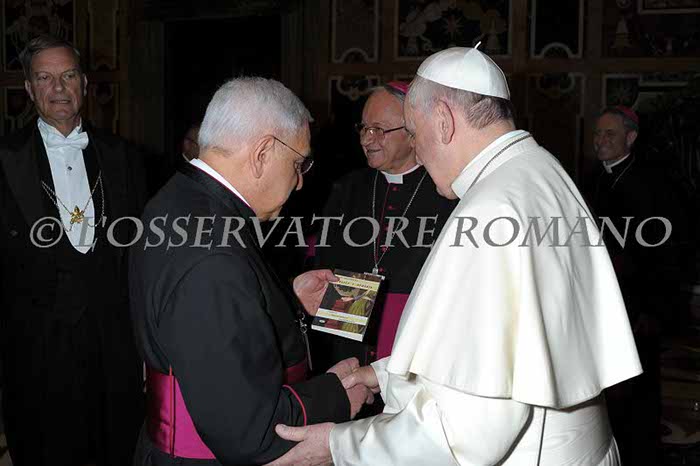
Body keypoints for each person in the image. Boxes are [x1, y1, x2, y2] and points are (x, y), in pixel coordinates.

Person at [268, 46, 643, 466]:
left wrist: (339, 445)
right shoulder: (538, 169)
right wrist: (387, 375)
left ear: (444, 120)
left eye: (414, 132)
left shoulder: (490, 211)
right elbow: (497, 356)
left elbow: (467, 432)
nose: (418, 149)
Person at [129, 77, 371, 466]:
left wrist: (288, 299)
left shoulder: (181, 197)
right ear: (262, 153)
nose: (299, 182)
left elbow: (207, 322)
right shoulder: (212, 255)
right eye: (298, 163)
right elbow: (248, 431)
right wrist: (336, 395)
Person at [0, 35, 146, 466]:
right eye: (45, 78)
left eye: (67, 76)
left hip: (113, 346)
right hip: (34, 349)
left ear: (84, 83)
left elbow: (141, 255)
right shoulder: (3, 159)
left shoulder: (124, 156)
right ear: (30, 89)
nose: (58, 88)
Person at [311, 82, 457, 375]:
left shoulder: (446, 193)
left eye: (379, 129)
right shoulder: (348, 189)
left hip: (419, 353)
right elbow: (326, 267)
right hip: (348, 347)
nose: (367, 139)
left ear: (413, 133)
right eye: (364, 128)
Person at [590, 105, 672, 464]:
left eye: (609, 134)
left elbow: (663, 254)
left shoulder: (653, 184)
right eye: (597, 134)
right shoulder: (593, 178)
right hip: (603, 299)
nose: (600, 141)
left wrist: (652, 309)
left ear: (631, 137)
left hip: (639, 302)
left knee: (639, 386)